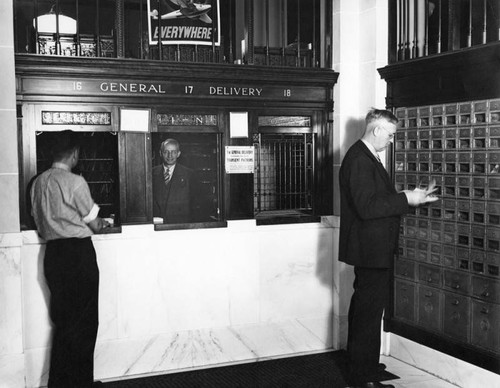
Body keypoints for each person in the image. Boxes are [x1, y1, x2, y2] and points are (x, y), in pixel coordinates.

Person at [339, 109, 438, 388]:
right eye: (391, 134)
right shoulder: (359, 159)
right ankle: (361, 378)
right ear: (377, 130)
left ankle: (366, 365)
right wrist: (405, 198)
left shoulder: (364, 156)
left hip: (372, 248)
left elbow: (374, 201)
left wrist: (409, 199)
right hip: (369, 249)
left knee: (366, 310)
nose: (392, 140)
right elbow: (367, 207)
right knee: (368, 313)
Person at [30, 130, 109, 387]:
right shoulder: (75, 182)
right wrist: (106, 224)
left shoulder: (37, 183)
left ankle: (60, 383)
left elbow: (39, 222)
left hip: (53, 256)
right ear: (74, 154)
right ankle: (81, 383)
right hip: (78, 256)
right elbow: (95, 224)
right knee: (84, 325)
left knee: (63, 324)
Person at [152, 138, 194, 224]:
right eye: (166, 152)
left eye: (173, 152)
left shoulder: (189, 174)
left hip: (180, 225)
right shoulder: (151, 173)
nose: (169, 155)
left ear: (178, 154)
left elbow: (195, 205)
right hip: (156, 225)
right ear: (160, 153)